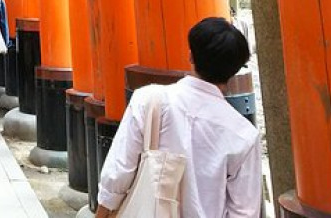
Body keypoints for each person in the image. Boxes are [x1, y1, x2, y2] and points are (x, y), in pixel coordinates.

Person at [96, 17, 261, 217]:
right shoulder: (244, 134)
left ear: (191, 56)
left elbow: (119, 171)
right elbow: (244, 211)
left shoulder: (149, 100)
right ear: (235, 70)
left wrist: (102, 213)